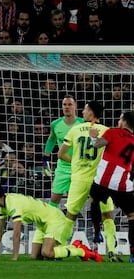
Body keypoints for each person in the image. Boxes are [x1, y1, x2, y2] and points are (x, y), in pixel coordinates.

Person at [0, 182, 102, 262]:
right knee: (35, 257)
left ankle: (80, 250)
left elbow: (17, 233)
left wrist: (15, 257)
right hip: (42, 224)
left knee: (47, 253)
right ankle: (72, 247)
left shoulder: (14, 204)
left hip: (54, 218)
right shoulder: (2, 206)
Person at [58, 101, 115, 254]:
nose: (82, 112)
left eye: (84, 109)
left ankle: (60, 247)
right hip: (100, 180)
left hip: (79, 179)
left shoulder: (75, 130)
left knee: (70, 215)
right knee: (107, 215)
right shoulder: (107, 131)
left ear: (90, 113)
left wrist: (76, 163)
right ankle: (111, 251)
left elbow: (60, 154)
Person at [89, 110, 134, 263]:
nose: (118, 121)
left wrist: (93, 136)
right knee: (132, 216)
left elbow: (96, 144)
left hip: (103, 180)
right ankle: (133, 253)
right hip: (122, 184)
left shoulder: (113, 132)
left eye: (120, 119)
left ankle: (96, 232)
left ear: (125, 122)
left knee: (94, 201)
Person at [43, 95, 84, 208]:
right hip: (63, 167)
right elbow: (51, 139)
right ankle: (51, 221)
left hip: (79, 166)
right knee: (55, 197)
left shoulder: (83, 123)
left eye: (70, 104)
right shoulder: (55, 124)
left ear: (75, 106)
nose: (67, 107)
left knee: (74, 199)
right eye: (64, 104)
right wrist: (45, 158)